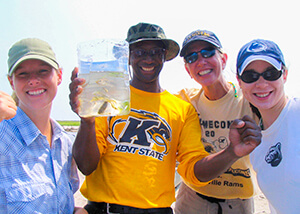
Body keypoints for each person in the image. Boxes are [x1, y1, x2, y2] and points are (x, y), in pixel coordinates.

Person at [69, 22, 261, 214]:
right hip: (104, 209)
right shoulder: (108, 98)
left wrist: (231, 152)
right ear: (127, 57)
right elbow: (86, 166)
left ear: (164, 57)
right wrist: (87, 121)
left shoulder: (182, 109)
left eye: (155, 52)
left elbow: (193, 171)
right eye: (139, 52)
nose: (148, 59)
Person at [174, 30, 258, 214]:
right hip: (192, 198)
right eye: (191, 57)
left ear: (224, 59)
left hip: (239, 202)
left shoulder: (250, 100)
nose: (201, 61)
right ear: (188, 70)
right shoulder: (184, 101)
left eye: (208, 52)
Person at [0, 38, 87, 214]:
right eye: (22, 74)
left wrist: (76, 211)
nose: (33, 80)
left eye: (43, 71)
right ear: (11, 82)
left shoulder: (64, 143)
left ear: (59, 76)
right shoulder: (3, 134)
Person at [236, 39, 300, 214]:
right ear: (239, 81)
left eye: (271, 73)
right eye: (250, 76)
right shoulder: (256, 145)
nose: (262, 84)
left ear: (284, 74)